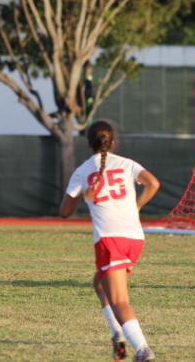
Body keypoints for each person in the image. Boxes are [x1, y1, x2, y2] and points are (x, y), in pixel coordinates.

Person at [59, 120, 160, 362]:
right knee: (99, 282)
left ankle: (143, 350)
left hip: (110, 240)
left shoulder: (83, 170)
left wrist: (83, 195)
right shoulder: (126, 163)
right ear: (112, 142)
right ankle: (118, 336)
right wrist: (135, 206)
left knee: (119, 301)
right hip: (135, 238)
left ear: (88, 143)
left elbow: (64, 211)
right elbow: (153, 184)